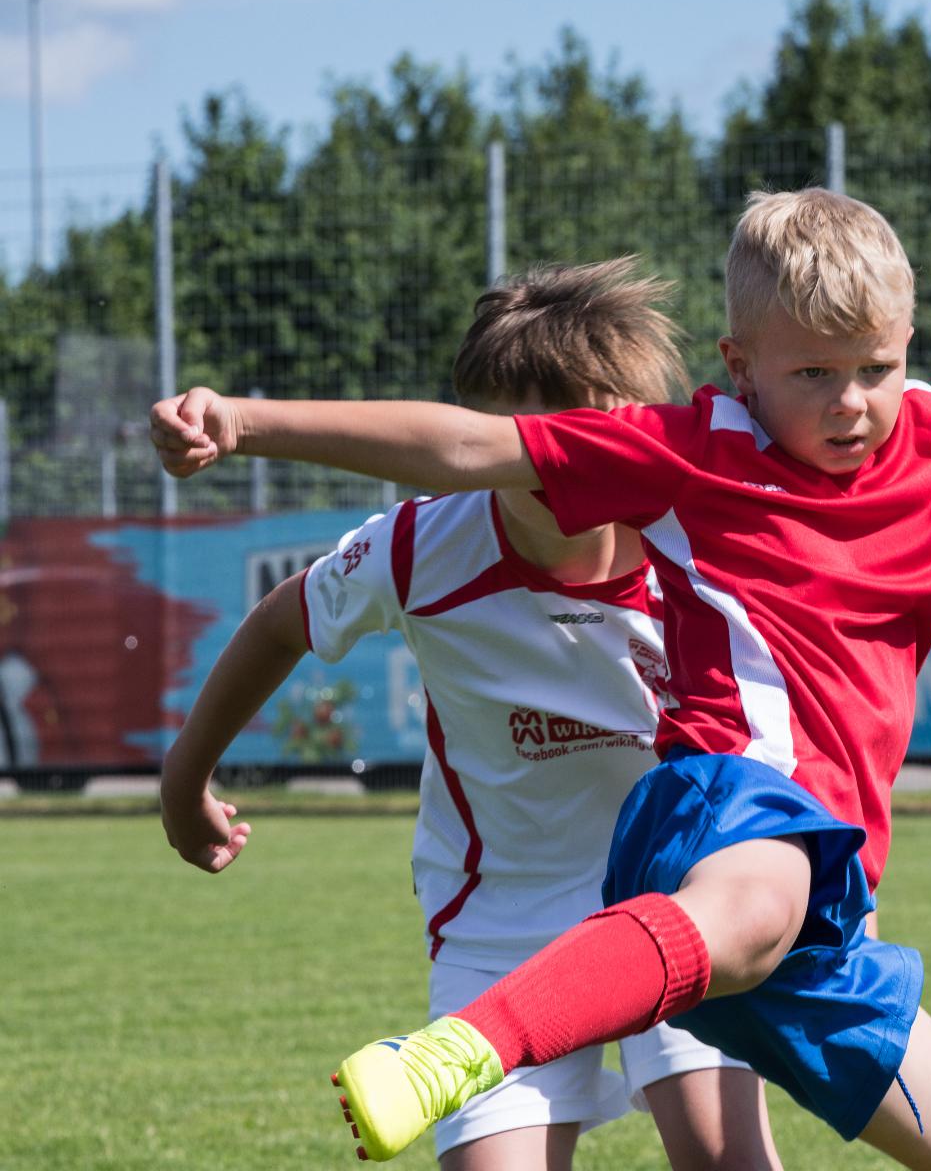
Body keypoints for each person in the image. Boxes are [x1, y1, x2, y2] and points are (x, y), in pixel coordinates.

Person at [151, 186, 931, 1169]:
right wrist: (244, 420)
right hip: (720, 818)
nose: (850, 402)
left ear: (907, 347)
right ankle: (468, 1047)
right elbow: (454, 448)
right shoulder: (692, 453)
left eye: (874, 369)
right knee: (748, 911)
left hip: (819, 889)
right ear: (741, 370)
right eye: (814, 375)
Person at [156, 258, 783, 1171]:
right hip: (502, 920)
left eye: (576, 437)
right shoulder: (419, 547)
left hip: (677, 895)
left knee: (724, 1154)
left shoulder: (696, 543)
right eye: (504, 436)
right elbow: (282, 621)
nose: (536, 463)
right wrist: (186, 774)